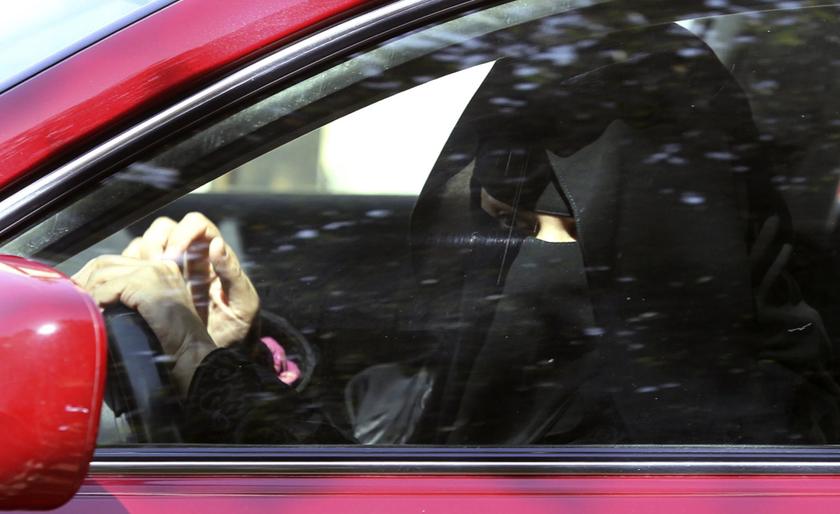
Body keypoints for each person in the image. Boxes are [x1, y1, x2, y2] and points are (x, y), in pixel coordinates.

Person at [74, 18, 840, 444]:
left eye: (548, 231)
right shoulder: (469, 392)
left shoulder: (714, 450)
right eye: (496, 223)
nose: (503, 258)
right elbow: (379, 457)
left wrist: (201, 367)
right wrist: (241, 345)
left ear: (665, 244)